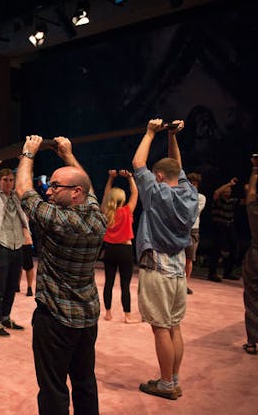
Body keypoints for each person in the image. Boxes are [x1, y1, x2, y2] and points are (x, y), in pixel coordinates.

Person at [16, 135, 107, 415]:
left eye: (56, 186)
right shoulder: (97, 216)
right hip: (86, 318)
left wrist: (28, 154)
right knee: (84, 382)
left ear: (75, 192)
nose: (50, 190)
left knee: (53, 387)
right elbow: (87, 183)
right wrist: (68, 154)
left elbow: (23, 190)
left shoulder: (59, 220)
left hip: (55, 319)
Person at [131, 119, 198, 400]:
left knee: (160, 328)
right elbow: (178, 166)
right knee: (174, 326)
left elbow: (137, 164)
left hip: (157, 266)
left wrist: (148, 133)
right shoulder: (190, 193)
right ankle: (173, 378)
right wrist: (171, 136)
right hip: (178, 268)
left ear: (158, 176)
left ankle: (167, 384)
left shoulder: (155, 192)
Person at [0, 160, 29, 336]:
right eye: (5, 180)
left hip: (18, 244)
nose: (9, 183)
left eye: (11, 180)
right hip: (2, 244)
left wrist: (24, 161)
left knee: (12, 285)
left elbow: (26, 183)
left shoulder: (17, 196)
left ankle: (5, 317)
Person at [101, 169, 138, 323]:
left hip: (109, 250)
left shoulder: (106, 211)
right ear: (122, 199)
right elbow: (135, 193)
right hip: (125, 250)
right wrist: (130, 178)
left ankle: (108, 313)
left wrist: (110, 178)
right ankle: (127, 316)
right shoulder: (127, 210)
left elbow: (105, 194)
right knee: (125, 284)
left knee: (108, 282)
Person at [208, 177, 241, 282]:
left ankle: (228, 272)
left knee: (234, 249)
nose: (228, 192)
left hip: (229, 226)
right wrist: (229, 184)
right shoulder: (217, 200)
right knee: (217, 249)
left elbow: (246, 202)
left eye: (229, 191)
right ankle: (212, 273)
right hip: (218, 225)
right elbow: (217, 192)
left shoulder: (232, 201)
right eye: (226, 190)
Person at [242, 156, 258, 355]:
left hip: (255, 255)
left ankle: (253, 341)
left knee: (252, 296)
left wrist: (255, 170)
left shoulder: (254, 210)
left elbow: (252, 193)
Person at [184, 173, 207, 294]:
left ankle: (185, 284)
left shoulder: (201, 197)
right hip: (180, 229)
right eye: (189, 183)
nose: (191, 185)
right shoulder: (180, 195)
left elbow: (194, 212)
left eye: (194, 184)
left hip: (193, 229)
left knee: (189, 258)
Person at [21, 227, 35, 297]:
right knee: (16, 266)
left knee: (29, 266)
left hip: (25, 241)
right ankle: (16, 285)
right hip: (13, 241)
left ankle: (29, 287)